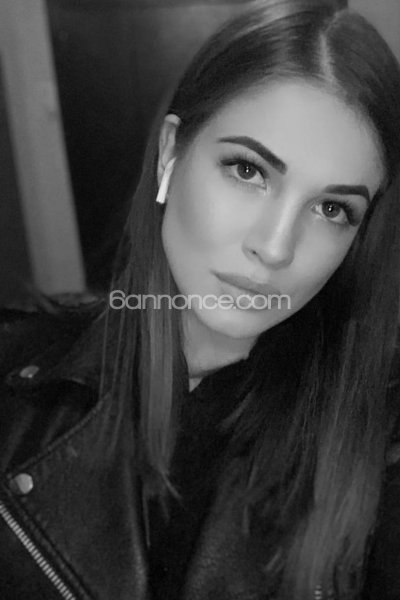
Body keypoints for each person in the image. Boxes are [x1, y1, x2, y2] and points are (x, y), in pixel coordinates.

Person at [1, 0, 400, 598]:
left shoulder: (377, 443)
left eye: (331, 208)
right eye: (248, 170)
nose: (275, 248)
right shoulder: (16, 381)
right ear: (170, 154)